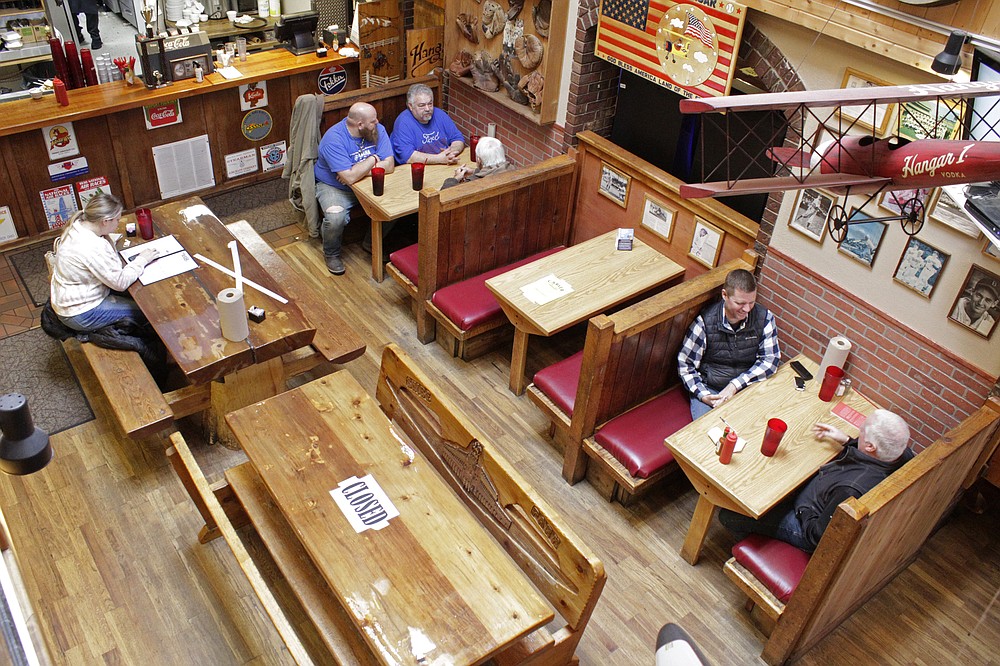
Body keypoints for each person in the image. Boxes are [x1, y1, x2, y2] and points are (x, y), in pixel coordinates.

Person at [718, 410, 913, 552]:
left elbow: (816, 536)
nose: (858, 432)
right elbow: (871, 455)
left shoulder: (850, 489)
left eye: (861, 432)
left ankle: (760, 549)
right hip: (822, 499)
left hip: (806, 526)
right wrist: (847, 440)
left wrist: (802, 507)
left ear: (870, 446)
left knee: (728, 515)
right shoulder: (902, 455)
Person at [677, 268, 780, 420]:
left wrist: (736, 385)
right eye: (740, 303)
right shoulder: (704, 323)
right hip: (711, 389)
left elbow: (770, 360)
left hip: (746, 386)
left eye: (752, 302)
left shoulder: (765, 318)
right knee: (707, 431)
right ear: (724, 295)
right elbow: (685, 365)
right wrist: (703, 395)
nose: (747, 309)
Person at [49, 194, 158, 332]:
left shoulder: (78, 226)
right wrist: (142, 260)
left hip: (68, 300)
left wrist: (105, 236)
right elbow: (120, 283)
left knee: (141, 296)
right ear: (105, 221)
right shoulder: (92, 246)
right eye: (117, 220)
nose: (118, 223)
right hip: (81, 313)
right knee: (149, 312)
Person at [314, 102, 394, 275]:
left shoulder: (376, 129)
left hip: (366, 183)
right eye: (373, 121)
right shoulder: (333, 139)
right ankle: (332, 253)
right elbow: (348, 178)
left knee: (395, 203)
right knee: (335, 218)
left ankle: (371, 243)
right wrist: (374, 160)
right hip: (335, 187)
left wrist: (358, 170)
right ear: (359, 125)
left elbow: (389, 165)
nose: (377, 123)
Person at [390, 83, 465, 165]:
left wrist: (451, 153)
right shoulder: (403, 123)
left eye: (430, 104)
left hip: (445, 164)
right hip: (417, 168)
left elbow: (458, 138)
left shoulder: (440, 115)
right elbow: (408, 156)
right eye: (422, 105)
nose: (427, 109)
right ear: (410, 106)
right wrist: (439, 159)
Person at [441, 136, 515, 189]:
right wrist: (475, 171)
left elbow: (444, 196)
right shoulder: (514, 170)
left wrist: (456, 178)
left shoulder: (473, 186)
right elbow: (494, 171)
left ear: (479, 160)